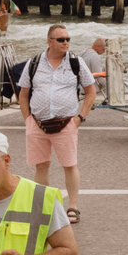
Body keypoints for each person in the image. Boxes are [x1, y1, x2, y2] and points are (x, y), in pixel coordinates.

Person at [14, 24, 97, 223]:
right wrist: (27, 120)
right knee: (41, 166)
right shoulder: (34, 62)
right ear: (49, 41)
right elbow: (23, 93)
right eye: (61, 39)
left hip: (66, 123)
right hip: (38, 124)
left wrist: (80, 118)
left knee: (69, 165)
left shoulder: (76, 62)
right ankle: (44, 206)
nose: (65, 43)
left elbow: (91, 92)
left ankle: (73, 207)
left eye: (68, 39)